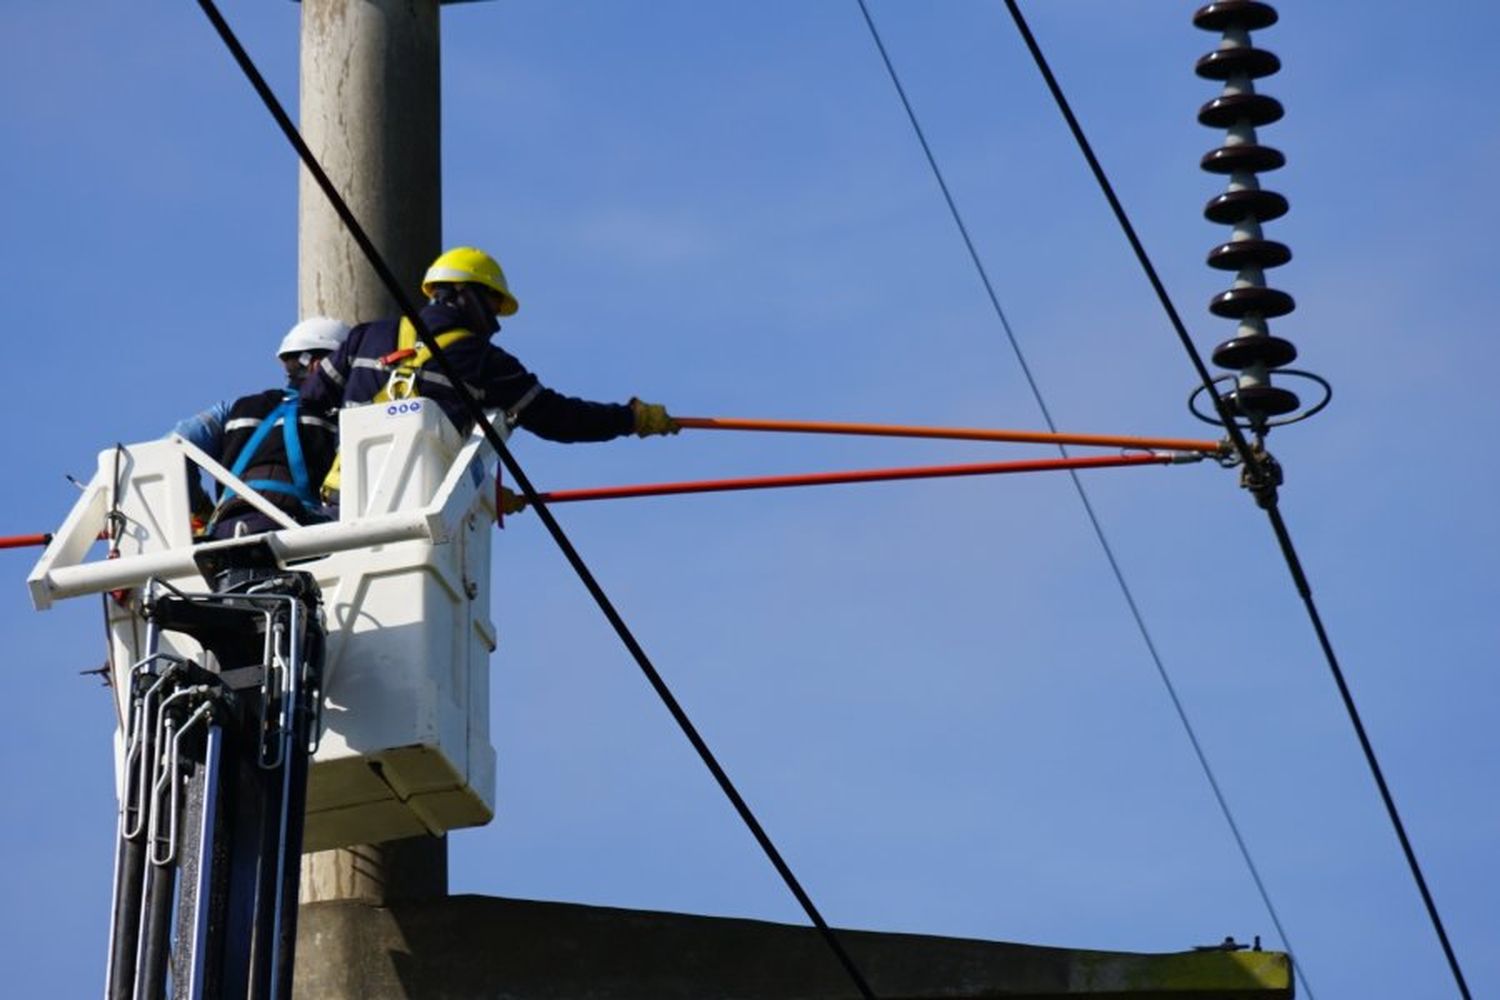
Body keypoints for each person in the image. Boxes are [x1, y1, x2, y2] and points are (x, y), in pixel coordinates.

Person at [300, 248, 678, 507]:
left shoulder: (365, 337)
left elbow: (310, 405)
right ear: (463, 295)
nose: (496, 322)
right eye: (494, 304)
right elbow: (560, 418)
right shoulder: (486, 362)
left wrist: (313, 485)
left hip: (340, 504)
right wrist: (630, 419)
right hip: (418, 512)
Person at [197, 317, 350, 538]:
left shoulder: (235, 408)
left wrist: (200, 508)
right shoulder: (333, 418)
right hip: (293, 531)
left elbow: (175, 442)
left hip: (224, 531)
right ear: (317, 364)